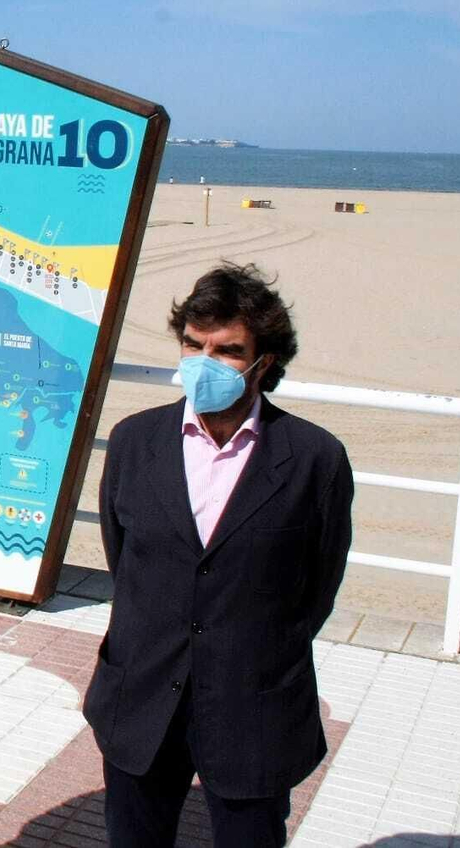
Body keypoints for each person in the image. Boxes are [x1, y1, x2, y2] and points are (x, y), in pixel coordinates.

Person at [84, 263, 355, 848]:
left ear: (266, 362)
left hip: (253, 708)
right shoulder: (134, 441)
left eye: (228, 350)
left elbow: (316, 589)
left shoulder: (315, 459)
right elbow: (124, 558)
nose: (204, 362)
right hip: (142, 698)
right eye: (192, 344)